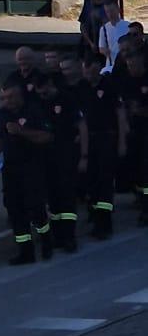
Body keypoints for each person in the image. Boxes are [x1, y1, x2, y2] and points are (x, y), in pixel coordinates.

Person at [0, 75, 53, 264]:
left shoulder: (33, 111)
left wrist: (21, 131)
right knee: (14, 208)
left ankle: (46, 241)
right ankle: (25, 251)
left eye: (10, 97)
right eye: (3, 98)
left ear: (20, 96)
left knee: (36, 207)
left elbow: (47, 136)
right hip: (11, 168)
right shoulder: (2, 114)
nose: (6, 101)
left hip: (32, 166)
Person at [38, 65, 85, 253]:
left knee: (67, 199)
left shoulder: (66, 99)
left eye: (44, 92)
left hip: (66, 155)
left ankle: (70, 237)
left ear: (50, 85)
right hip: (47, 157)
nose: (42, 95)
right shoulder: (39, 102)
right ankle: (58, 236)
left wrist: (84, 155)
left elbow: (82, 126)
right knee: (53, 199)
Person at [83, 47, 124, 238]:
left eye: (89, 67)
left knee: (105, 180)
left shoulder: (109, 85)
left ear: (98, 67)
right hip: (88, 139)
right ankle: (94, 214)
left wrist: (122, 140)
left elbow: (119, 113)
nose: (86, 71)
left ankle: (104, 223)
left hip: (107, 137)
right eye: (84, 67)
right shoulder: (82, 88)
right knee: (90, 180)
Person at [117, 38, 148, 222]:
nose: (131, 68)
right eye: (128, 65)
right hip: (133, 130)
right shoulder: (125, 80)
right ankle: (139, 197)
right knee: (134, 166)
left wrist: (142, 111)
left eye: (134, 65)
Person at [98, 0, 131, 73]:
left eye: (112, 11)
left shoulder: (128, 26)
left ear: (118, 9)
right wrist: (105, 51)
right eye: (107, 12)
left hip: (126, 61)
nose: (110, 14)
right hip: (111, 63)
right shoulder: (104, 29)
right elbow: (101, 48)